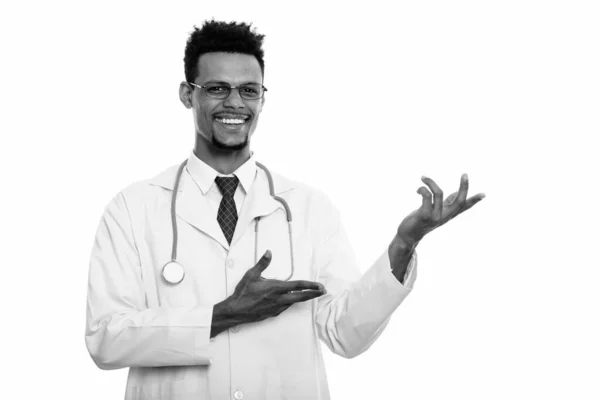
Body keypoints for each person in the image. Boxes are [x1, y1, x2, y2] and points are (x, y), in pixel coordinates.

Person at [85, 20, 485, 400]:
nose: (235, 103)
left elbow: (344, 332)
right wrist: (222, 315)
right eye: (217, 88)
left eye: (249, 90)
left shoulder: (308, 207)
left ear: (262, 97)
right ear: (188, 94)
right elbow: (105, 337)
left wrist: (404, 244)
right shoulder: (132, 209)